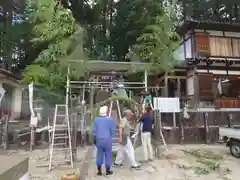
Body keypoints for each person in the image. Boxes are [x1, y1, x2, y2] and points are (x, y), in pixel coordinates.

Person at [92, 105, 116, 176]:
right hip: (107, 140)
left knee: (99, 155)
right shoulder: (110, 120)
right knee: (108, 155)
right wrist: (110, 136)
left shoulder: (96, 120)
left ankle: (99, 171)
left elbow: (94, 131)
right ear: (106, 112)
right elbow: (112, 131)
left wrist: (95, 139)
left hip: (99, 140)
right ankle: (107, 171)